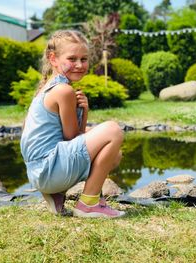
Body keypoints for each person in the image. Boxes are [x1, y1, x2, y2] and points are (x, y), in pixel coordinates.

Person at [20, 30, 125, 218]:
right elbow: (72, 137)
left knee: (114, 154)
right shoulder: (63, 91)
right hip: (48, 169)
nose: (79, 65)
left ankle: (56, 194)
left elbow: (66, 135)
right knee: (113, 130)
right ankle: (88, 203)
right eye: (72, 58)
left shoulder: (49, 87)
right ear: (53, 59)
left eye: (84, 59)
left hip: (40, 172)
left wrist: (83, 112)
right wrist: (84, 114)